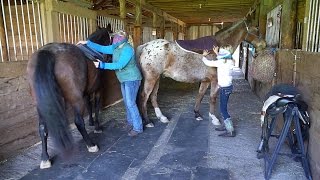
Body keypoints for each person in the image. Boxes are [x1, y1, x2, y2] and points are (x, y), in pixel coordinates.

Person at [77, 30, 143, 137]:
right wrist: (87, 43)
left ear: (123, 39)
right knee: (127, 103)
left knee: (131, 103)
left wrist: (101, 65)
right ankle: (130, 122)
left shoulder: (128, 49)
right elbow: (102, 48)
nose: (115, 39)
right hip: (124, 79)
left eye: (118, 37)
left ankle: (138, 127)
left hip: (132, 79)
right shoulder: (116, 47)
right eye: (115, 37)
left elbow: (119, 65)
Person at [202, 45, 235, 137]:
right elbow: (223, 57)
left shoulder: (221, 62)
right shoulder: (230, 61)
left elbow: (208, 63)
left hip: (224, 88)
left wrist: (203, 56)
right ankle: (225, 125)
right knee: (223, 107)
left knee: (223, 109)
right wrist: (217, 53)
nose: (220, 51)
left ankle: (230, 130)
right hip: (228, 87)